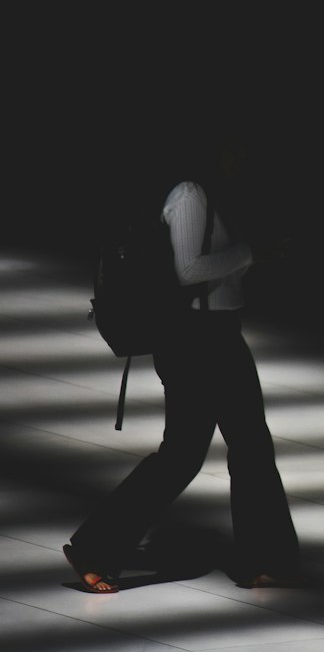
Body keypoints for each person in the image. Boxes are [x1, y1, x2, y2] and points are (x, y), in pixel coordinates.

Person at [63, 127, 301, 594]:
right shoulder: (190, 195)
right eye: (235, 150)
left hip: (218, 336)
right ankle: (95, 548)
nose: (242, 161)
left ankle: (264, 559)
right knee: (187, 456)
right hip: (197, 341)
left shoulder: (210, 195)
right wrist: (250, 253)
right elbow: (187, 270)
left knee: (247, 447)